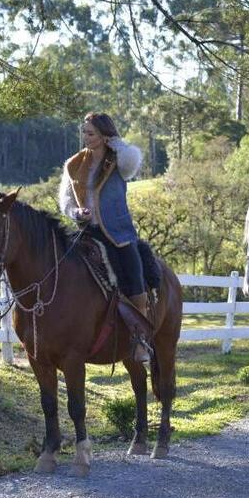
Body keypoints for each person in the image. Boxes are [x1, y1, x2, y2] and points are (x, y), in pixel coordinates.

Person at [58, 112, 149, 362]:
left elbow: (132, 163)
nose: (85, 137)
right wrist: (75, 211)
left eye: (91, 133)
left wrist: (116, 143)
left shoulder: (119, 158)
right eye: (84, 132)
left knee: (134, 274)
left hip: (118, 232)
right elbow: (65, 199)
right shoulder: (73, 163)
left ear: (104, 135)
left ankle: (140, 339)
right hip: (86, 231)